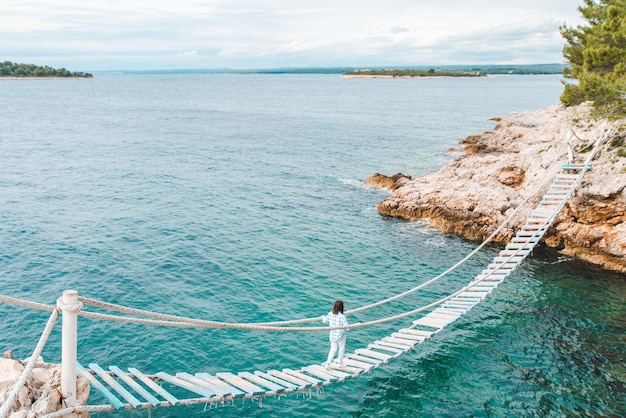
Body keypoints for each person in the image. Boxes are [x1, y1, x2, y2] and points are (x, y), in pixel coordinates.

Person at [322, 300, 348, 369]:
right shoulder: (342, 316)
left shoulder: (330, 314)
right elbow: (347, 327)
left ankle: (328, 364)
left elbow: (325, 321)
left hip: (332, 335)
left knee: (333, 349)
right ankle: (340, 363)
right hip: (340, 336)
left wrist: (322, 317)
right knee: (341, 349)